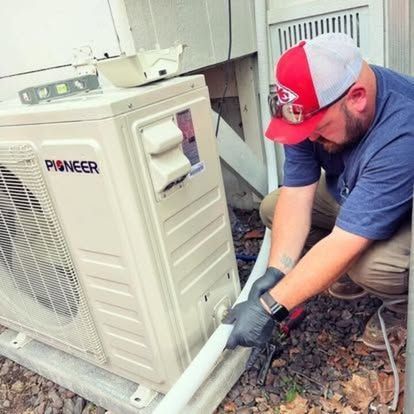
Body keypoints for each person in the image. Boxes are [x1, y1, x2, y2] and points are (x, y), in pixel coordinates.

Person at [225, 33, 414, 352]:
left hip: (405, 209)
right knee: (273, 206)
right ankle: (325, 270)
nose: (309, 139)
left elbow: (345, 241)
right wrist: (277, 272)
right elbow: (296, 194)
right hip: (362, 191)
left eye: (319, 129)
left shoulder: (403, 130)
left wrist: (270, 307)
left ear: (357, 98)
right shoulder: (308, 109)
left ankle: (401, 309)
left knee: (367, 265)